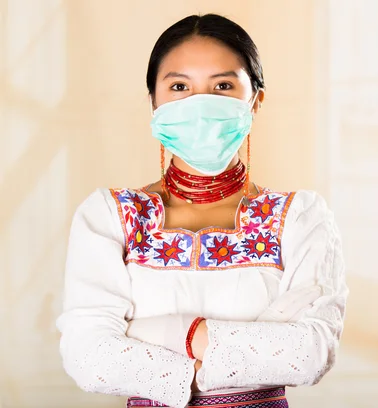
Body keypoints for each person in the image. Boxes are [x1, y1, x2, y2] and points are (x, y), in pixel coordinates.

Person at [55, 13, 348, 408]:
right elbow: (89, 359)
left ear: (255, 100)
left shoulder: (299, 216)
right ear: (153, 103)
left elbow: (310, 354)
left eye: (223, 86)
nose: (200, 105)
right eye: (179, 86)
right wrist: (255, 346)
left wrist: (173, 334)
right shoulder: (110, 215)